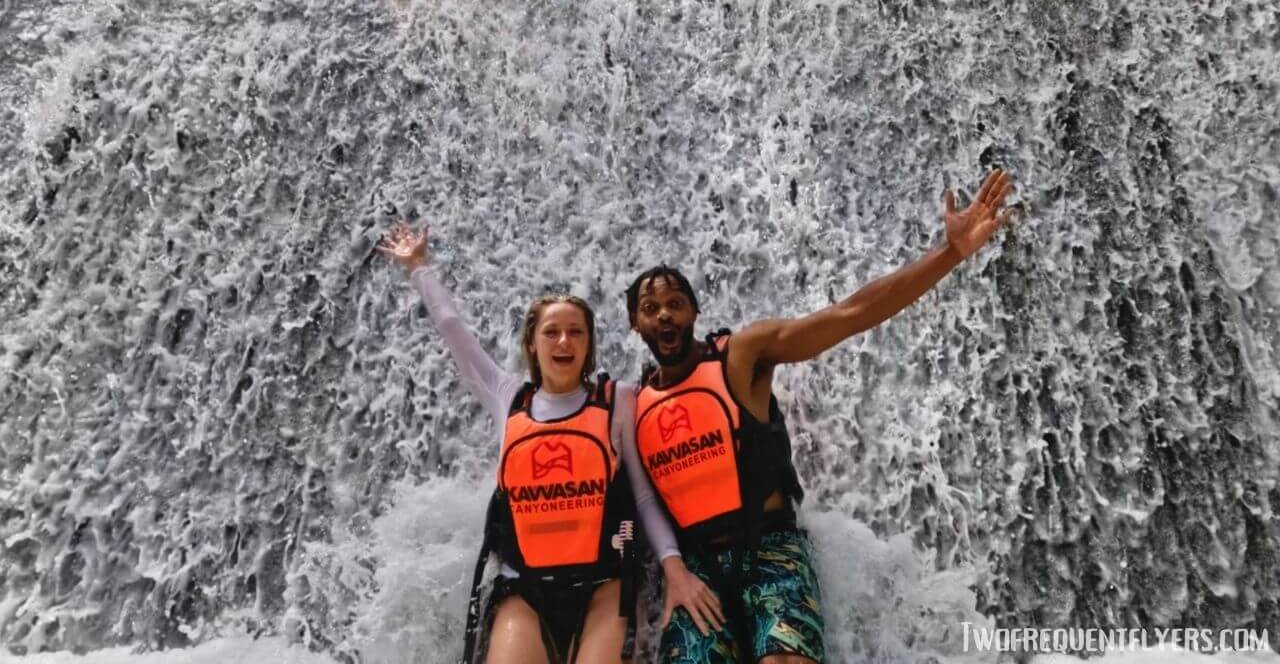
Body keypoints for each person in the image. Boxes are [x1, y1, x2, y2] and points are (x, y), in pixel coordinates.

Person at [626, 169, 1016, 663]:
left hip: (770, 550)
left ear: (695, 312)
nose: (664, 315)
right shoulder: (629, 404)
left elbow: (849, 314)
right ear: (634, 323)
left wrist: (950, 252)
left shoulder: (741, 356)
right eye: (651, 308)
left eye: (675, 304)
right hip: (696, 571)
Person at [377, 224, 724, 664]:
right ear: (532, 344)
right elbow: (450, 327)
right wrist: (418, 266)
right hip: (524, 588)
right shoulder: (506, 396)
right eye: (551, 332)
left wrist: (674, 567)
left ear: (589, 345)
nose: (564, 341)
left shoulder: (617, 401)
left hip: (604, 587)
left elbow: (641, 493)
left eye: (576, 332)